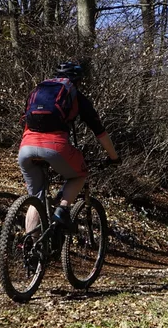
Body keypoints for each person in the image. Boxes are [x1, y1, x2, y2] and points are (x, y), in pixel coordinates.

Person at [16, 61, 119, 230]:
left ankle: (32, 244)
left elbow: (24, 120)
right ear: (77, 80)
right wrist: (114, 157)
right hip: (56, 148)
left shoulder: (39, 91)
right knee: (80, 174)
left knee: (36, 199)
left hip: (26, 148)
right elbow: (99, 131)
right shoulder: (76, 96)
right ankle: (62, 210)